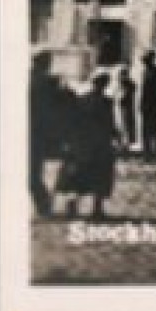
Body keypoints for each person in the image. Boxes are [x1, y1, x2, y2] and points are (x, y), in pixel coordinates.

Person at [58, 72, 118, 219]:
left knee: (81, 175)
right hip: (99, 144)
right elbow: (109, 123)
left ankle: (74, 205)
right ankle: (96, 209)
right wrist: (116, 136)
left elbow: (73, 122)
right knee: (99, 176)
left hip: (84, 143)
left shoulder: (83, 100)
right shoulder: (106, 102)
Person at [29, 53, 66, 217]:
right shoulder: (45, 83)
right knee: (32, 173)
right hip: (36, 132)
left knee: (32, 174)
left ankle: (44, 205)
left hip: (36, 133)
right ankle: (44, 205)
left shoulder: (42, 83)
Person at [115, 67, 138, 155]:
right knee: (124, 126)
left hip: (127, 107)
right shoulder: (125, 84)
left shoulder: (127, 84)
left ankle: (126, 144)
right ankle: (125, 144)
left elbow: (124, 96)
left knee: (126, 125)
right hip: (124, 107)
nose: (120, 77)